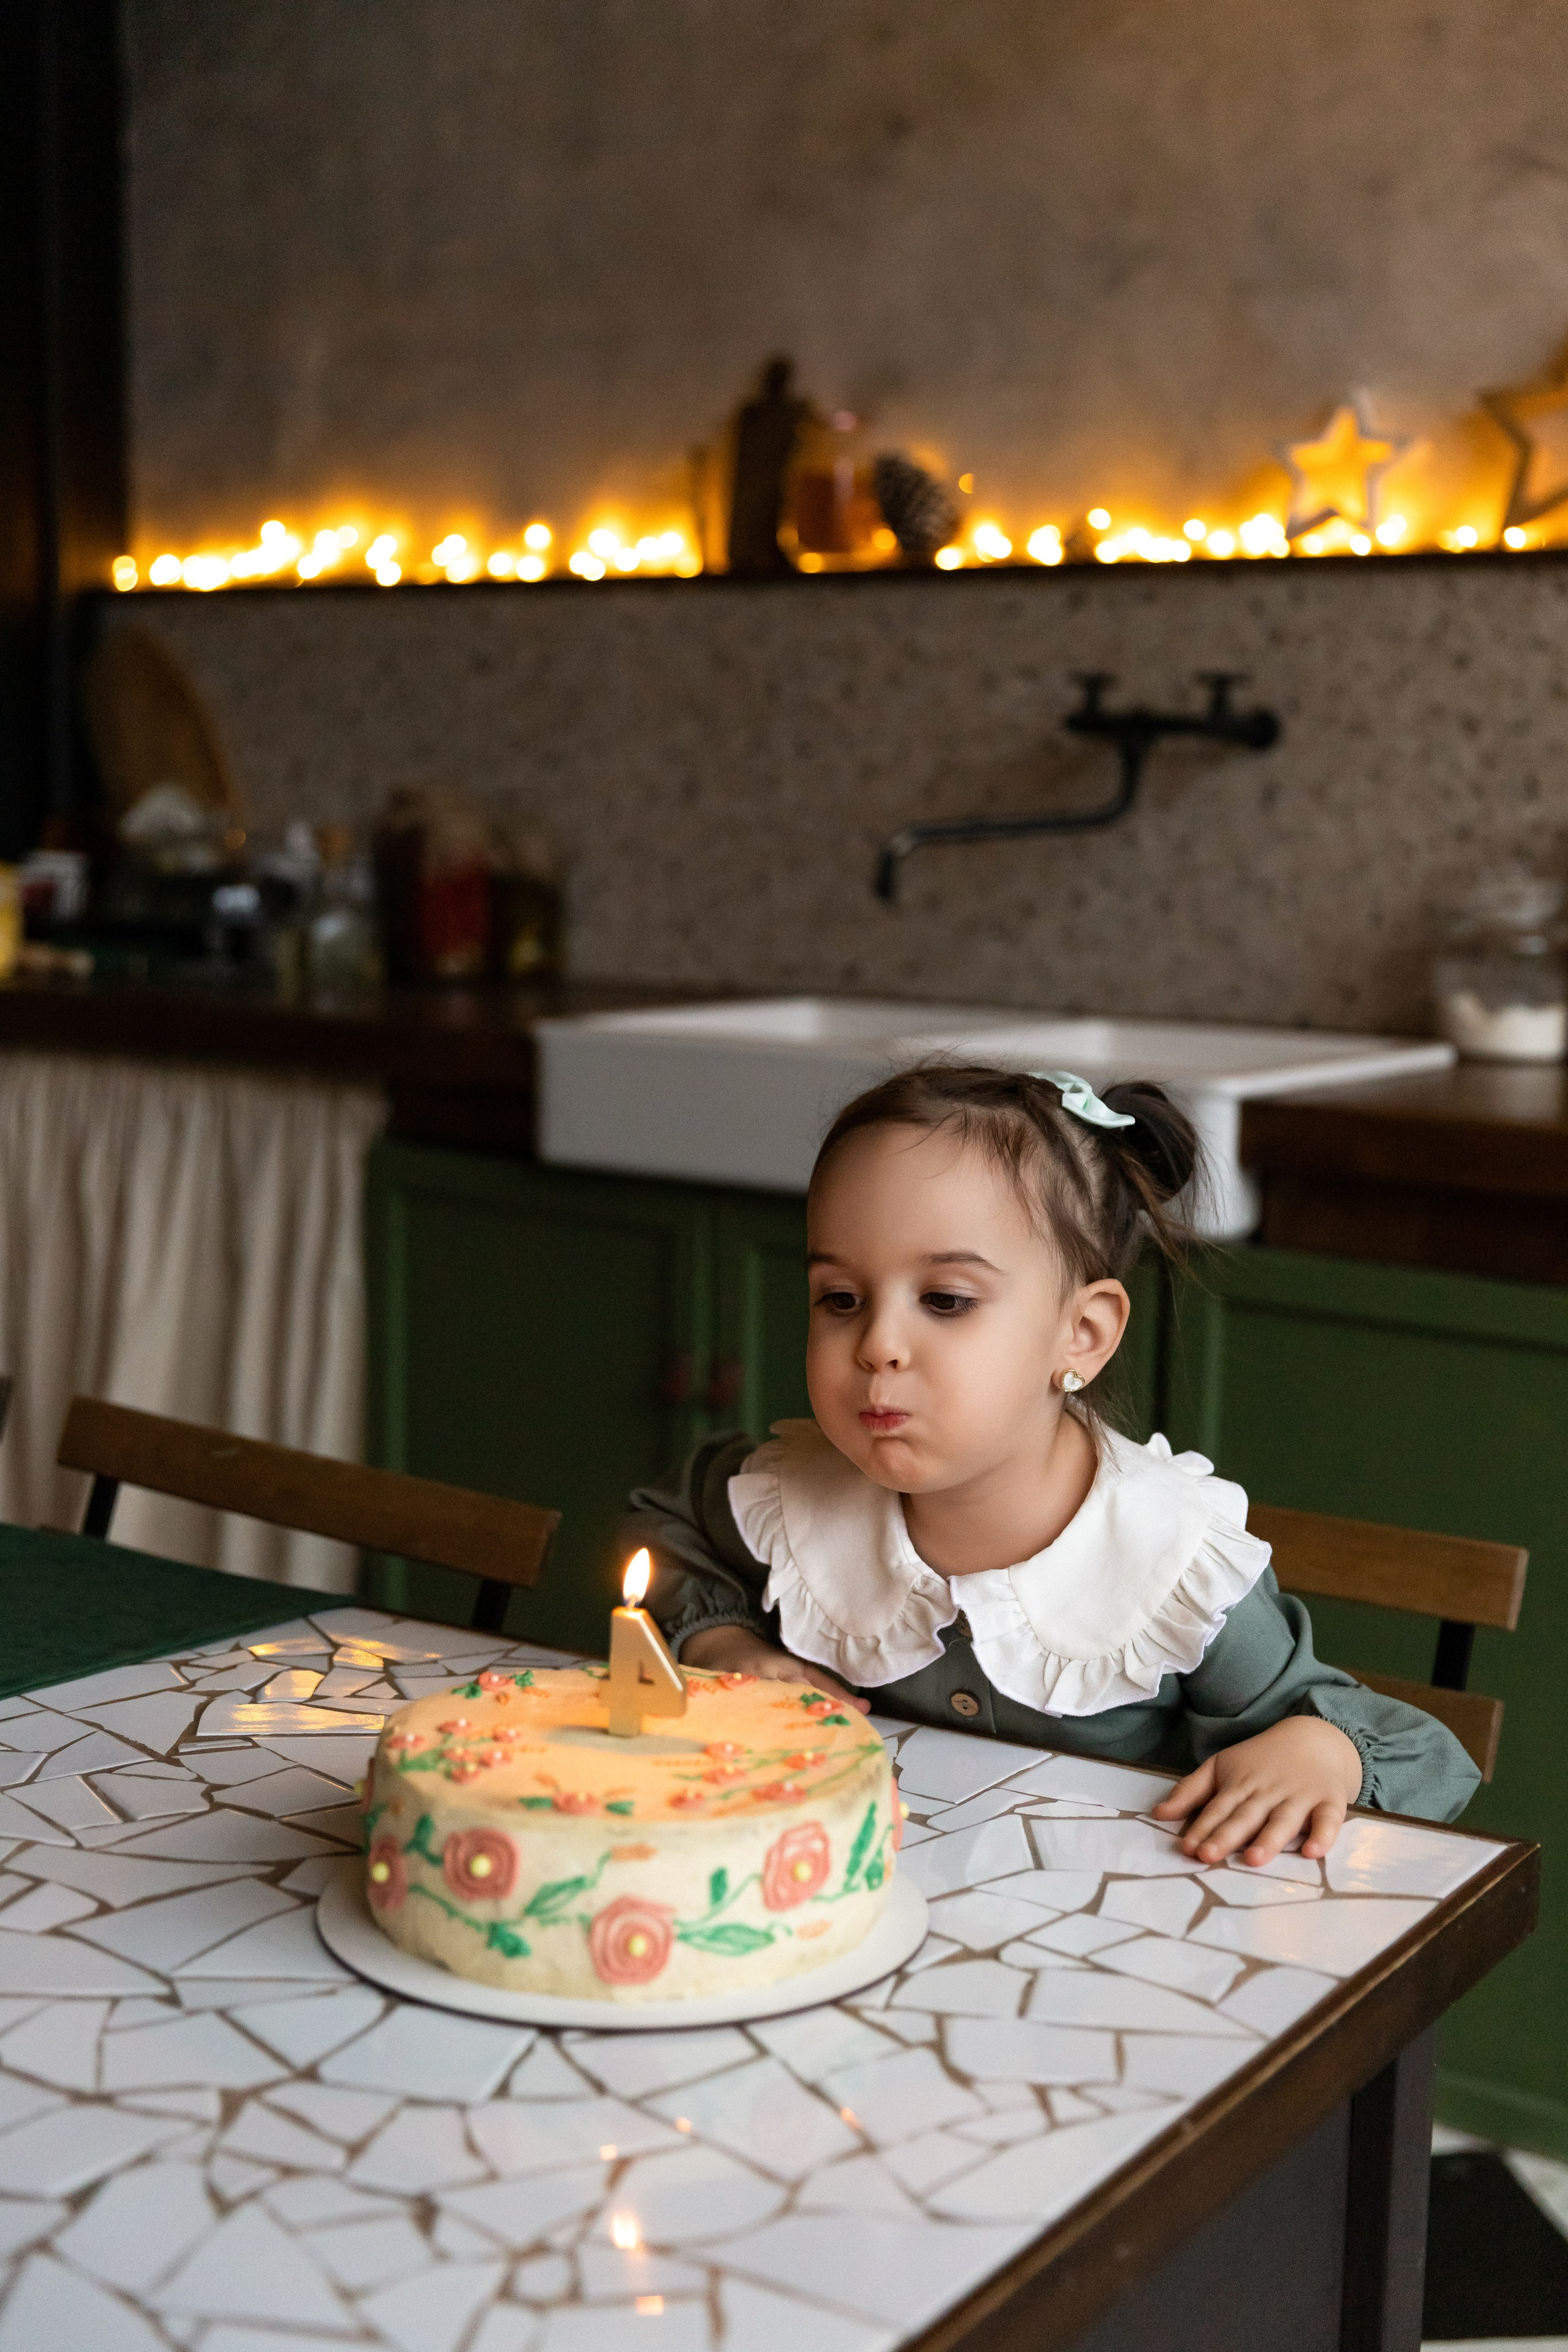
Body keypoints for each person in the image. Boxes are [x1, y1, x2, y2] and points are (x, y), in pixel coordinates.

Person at [626, 1066, 1479, 1865]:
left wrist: (1320, 1751)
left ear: (1083, 1335)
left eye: (946, 1300)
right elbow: (663, 1530)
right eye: (840, 1299)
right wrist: (727, 1643)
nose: (877, 1344)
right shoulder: (787, 1497)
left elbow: (1420, 1752)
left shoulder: (1169, 1566)